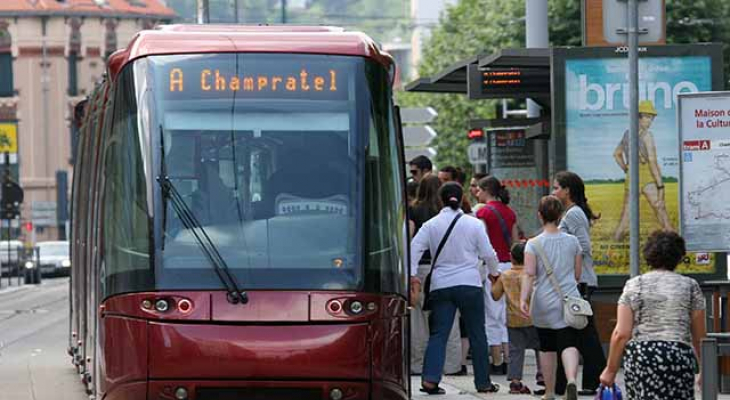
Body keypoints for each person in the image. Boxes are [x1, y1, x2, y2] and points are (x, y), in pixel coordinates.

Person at [411, 182, 501, 394]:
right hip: (470, 284)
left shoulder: (431, 224)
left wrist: (413, 276)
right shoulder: (474, 224)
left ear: (441, 200)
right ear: (460, 199)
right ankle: (483, 382)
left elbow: (414, 249)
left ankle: (430, 379)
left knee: (439, 334)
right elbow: (488, 253)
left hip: (441, 285)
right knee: (477, 333)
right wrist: (494, 273)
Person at [600, 230, 705, 399]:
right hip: (678, 355)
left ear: (649, 255)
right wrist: (703, 371)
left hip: (642, 355)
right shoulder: (690, 286)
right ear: (678, 257)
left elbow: (621, 333)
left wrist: (610, 370)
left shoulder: (634, 285)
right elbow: (699, 337)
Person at [520, 195, 583, 400]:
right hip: (569, 300)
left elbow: (529, 274)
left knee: (547, 347)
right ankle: (571, 380)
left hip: (544, 301)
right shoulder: (573, 241)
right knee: (569, 343)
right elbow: (577, 274)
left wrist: (523, 299)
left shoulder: (533, 244)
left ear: (540, 216)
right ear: (560, 215)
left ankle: (549, 392)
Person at [551, 171, 606, 396]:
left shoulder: (573, 214)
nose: (554, 192)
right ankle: (577, 382)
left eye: (556, 187)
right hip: (578, 280)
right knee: (579, 333)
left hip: (579, 280)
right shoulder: (573, 212)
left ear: (567, 190)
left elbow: (582, 246)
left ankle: (593, 380)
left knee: (584, 334)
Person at [409, 175, 463, 376]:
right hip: (447, 269)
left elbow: (410, 240)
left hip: (421, 269)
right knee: (450, 318)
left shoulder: (414, 210)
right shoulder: (452, 214)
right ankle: (451, 364)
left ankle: (418, 363)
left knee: (419, 319)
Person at [475, 176, 520, 375]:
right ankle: (509, 357)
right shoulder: (509, 212)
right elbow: (516, 242)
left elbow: (481, 243)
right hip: (509, 265)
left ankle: (497, 360)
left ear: (486, 190)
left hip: (492, 267)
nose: (476, 193)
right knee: (505, 314)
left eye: (478, 189)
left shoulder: (483, 212)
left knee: (492, 314)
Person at [613, 100, 673, 241]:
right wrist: (661, 186)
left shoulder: (627, 134)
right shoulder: (647, 136)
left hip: (632, 176)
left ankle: (616, 238)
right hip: (646, 175)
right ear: (638, 117)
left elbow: (616, 154)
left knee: (627, 212)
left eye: (651, 118)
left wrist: (626, 169)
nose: (650, 121)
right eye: (647, 116)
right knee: (659, 208)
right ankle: (672, 236)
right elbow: (652, 162)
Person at [491, 242, 542, 395]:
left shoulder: (505, 275)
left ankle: (515, 382)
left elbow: (495, 295)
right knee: (542, 348)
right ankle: (543, 376)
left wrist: (494, 282)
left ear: (511, 258)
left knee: (515, 351)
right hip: (534, 318)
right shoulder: (533, 274)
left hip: (513, 319)